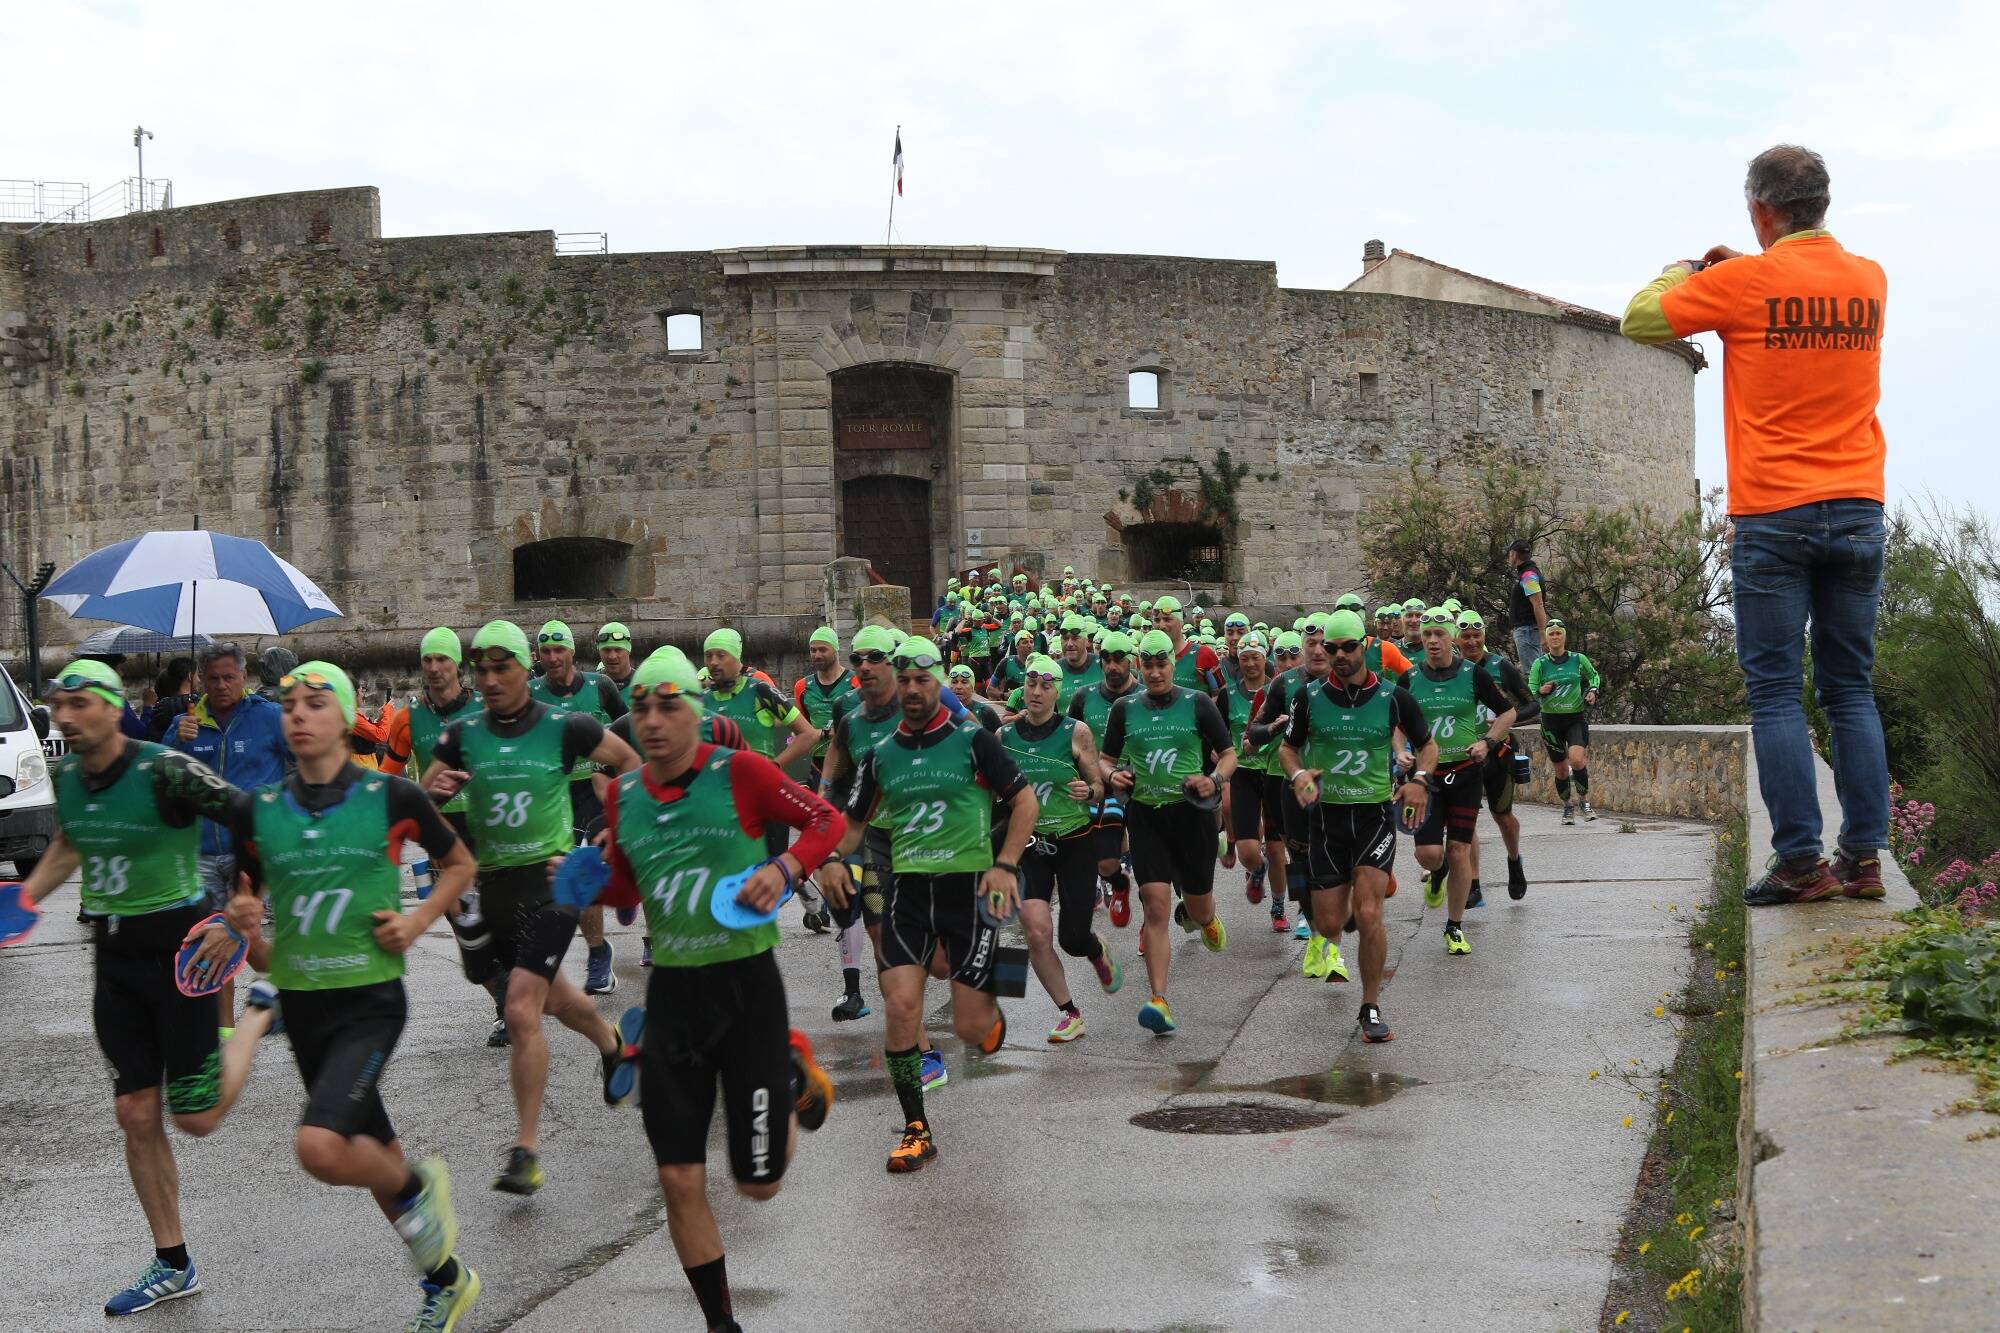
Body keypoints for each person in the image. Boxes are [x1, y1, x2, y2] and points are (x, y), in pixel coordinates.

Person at [1621, 142, 1888, 906]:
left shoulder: (1741, 284)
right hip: (1860, 504)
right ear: (1822, 204)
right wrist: (1749, 263)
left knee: (1775, 693)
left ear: (1759, 208)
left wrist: (1689, 268)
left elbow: (1640, 319)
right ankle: (1864, 859)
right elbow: (1801, 298)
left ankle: (1801, 863)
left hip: (1775, 513)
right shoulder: (1870, 280)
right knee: (1852, 691)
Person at [223, 661, 482, 1331]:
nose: (298, 715)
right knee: (376, 1160)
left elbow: (459, 865)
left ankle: (423, 1189)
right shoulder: (258, 811)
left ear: (345, 716)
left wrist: (418, 920)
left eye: (314, 702)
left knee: (320, 1145)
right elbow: (253, 934)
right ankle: (446, 1280)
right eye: (289, 705)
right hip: (304, 1005)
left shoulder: (391, 797)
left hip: (370, 1003)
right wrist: (245, 929)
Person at [14, 661, 271, 1316]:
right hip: (116, 957)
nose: (63, 718)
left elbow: (251, 818)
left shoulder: (166, 769)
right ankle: (172, 1260)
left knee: (197, 1117)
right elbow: (72, 841)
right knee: (134, 1111)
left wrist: (241, 905)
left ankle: (258, 1014)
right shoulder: (68, 774)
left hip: (180, 950)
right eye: (56, 705)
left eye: (76, 704)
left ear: (109, 706)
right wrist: (21, 901)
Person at [602, 648, 838, 1333]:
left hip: (747, 992)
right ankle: (721, 1323)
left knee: (756, 1184)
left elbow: (823, 820)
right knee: (678, 1177)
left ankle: (793, 1074)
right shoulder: (624, 795)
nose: (651, 719)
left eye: (668, 703)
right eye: (641, 705)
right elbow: (624, 890)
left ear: (696, 712)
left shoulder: (740, 772)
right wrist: (588, 873)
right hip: (672, 995)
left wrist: (789, 866)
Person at [422, 620, 639, 1195]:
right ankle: (614, 1046)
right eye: (482, 670)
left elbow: (633, 768)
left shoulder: (568, 727)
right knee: (556, 999)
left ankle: (525, 1149)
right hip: (490, 887)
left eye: (502, 668)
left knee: (520, 1009)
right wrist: (431, 799)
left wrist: (612, 835)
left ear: (526, 670)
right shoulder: (460, 735)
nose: (490, 680)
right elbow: (416, 801)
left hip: (552, 882)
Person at [823, 638, 1038, 1173]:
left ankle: (998, 984)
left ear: (937, 682)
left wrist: (1005, 864)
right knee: (899, 1006)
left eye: (924, 680)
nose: (914, 690)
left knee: (970, 1030)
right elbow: (851, 825)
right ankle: (917, 1129)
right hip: (910, 895)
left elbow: (1025, 801)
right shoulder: (880, 756)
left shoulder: (974, 741)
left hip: (969, 893)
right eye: (906, 680)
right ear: (895, 684)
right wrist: (828, 858)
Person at [1279, 612, 1437, 1044]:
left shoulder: (1392, 697)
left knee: (1370, 914)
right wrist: (1298, 777)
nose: (1340, 656)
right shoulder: (1308, 697)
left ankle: (1370, 1006)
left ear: (1366, 645)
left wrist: (1420, 781)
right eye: (1332, 649)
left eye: (1348, 647)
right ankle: (1345, 898)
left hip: (1372, 816)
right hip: (1326, 820)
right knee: (1330, 926)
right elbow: (1287, 750)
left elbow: (1427, 745)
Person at [1100, 628, 1238, 1035]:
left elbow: (1229, 755)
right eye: (1149, 664)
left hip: (1191, 817)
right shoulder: (1125, 708)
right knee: (1155, 905)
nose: (1156, 672)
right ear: (1139, 666)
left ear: (1172, 664)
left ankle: (1206, 918)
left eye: (1162, 664)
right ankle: (1158, 999)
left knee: (1198, 907)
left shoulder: (1197, 704)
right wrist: (1114, 776)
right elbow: (1106, 760)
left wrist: (1213, 779)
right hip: (1147, 817)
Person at [388, 626, 508, 1047]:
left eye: (443, 659)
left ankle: (509, 1006)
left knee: (497, 916)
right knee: (464, 927)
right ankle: (502, 993)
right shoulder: (407, 718)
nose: (435, 668)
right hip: (440, 832)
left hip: (489, 824)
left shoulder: (485, 708)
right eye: (427, 660)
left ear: (458, 664)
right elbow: (389, 780)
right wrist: (422, 797)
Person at [169, 641, 291, 1028]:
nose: (221, 685)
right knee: (215, 936)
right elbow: (158, 780)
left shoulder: (270, 717)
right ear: (201, 680)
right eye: (213, 678)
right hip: (200, 850)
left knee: (237, 933)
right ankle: (223, 1033)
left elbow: (308, 761)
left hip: (252, 850)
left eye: (229, 677)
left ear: (244, 677)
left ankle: (296, 993)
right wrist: (175, 742)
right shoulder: (184, 723)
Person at [998, 654, 1119, 1043]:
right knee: (1036, 933)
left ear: (1057, 692)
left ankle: (1094, 948)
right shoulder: (1006, 738)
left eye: (1045, 685)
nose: (1035, 691)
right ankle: (1070, 1013)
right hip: (1031, 845)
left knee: (1071, 937)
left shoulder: (1076, 731)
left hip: (1074, 841)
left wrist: (1090, 791)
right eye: (1031, 683)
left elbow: (1100, 786)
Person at [1399, 608, 1518, 956]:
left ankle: (1454, 926)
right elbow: (1394, 721)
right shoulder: (1409, 678)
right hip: (1425, 777)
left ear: (1451, 637)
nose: (1433, 641)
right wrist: (1399, 751)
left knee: (1459, 849)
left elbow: (1508, 711)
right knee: (1428, 854)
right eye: (1427, 635)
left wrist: (1488, 741)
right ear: (1421, 639)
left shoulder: (1473, 675)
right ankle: (1437, 874)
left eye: (1439, 634)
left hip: (1465, 772)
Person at [525, 620, 630, 995]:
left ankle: (598, 955)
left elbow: (625, 728)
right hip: (551, 795)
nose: (553, 658)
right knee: (551, 882)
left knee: (583, 873)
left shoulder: (600, 686)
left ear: (572, 651)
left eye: (560, 650)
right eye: (546, 651)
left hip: (592, 790)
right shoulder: (530, 692)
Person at [1456, 610, 1538, 900]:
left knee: (1502, 816)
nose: (1471, 641)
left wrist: (1507, 721)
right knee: (1467, 820)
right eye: (1465, 636)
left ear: (1484, 638)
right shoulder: (1451, 672)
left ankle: (1514, 860)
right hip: (1465, 755)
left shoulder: (1500, 667)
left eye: (1476, 635)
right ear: (1457, 639)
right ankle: (1474, 885)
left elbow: (1532, 704)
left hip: (1499, 753)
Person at [1067, 629, 1141, 929]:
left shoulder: (1145, 694)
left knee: (1152, 871)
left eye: (1119, 659)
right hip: (1105, 788)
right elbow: (1069, 738)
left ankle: (1149, 929)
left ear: (1131, 661)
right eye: (1107, 659)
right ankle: (1119, 883)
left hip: (1145, 788)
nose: (1112, 665)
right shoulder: (1085, 696)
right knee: (1105, 863)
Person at [1528, 620, 1602, 824]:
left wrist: (1593, 691)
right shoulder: (1540, 664)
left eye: (1558, 634)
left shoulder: (1578, 659)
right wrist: (1540, 690)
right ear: (1546, 639)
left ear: (1564, 636)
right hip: (1551, 721)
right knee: (1561, 769)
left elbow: (1594, 677)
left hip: (1574, 718)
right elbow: (1532, 687)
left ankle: (1585, 802)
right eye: (1551, 634)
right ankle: (1567, 807)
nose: (1555, 637)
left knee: (1577, 760)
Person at [792, 626, 857, 787]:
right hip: (817, 765)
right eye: (813, 650)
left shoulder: (856, 682)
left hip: (849, 762)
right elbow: (803, 728)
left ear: (835, 650)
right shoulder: (802, 687)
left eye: (823, 650)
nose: (817, 655)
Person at [1149, 595, 1221, 694]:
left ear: (1181, 621)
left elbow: (1223, 692)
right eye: (1157, 620)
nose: (1161, 626)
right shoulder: (1147, 658)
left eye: (1167, 619)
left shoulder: (1204, 654)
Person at [1504, 540, 1549, 671]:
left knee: (1533, 674)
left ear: (1513, 554)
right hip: (1527, 631)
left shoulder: (1528, 575)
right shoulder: (1527, 573)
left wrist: (1542, 634)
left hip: (1527, 631)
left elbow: (1538, 604)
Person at [948, 663, 1004, 731]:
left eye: (964, 682)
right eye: (954, 682)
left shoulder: (985, 712)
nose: (959, 687)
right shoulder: (941, 711)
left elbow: (1000, 738)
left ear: (972, 687)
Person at [595, 623, 636, 691]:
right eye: (606, 650)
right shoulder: (589, 685)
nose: (612, 657)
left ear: (629, 650)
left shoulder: (642, 683)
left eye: (618, 649)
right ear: (599, 651)